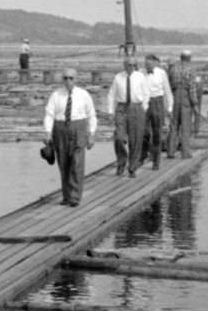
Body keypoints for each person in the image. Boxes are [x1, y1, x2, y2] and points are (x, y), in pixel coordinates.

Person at [43, 68, 97, 207]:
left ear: (76, 79)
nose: (68, 81)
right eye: (65, 78)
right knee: (63, 163)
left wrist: (91, 134)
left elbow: (91, 115)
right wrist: (47, 132)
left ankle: (75, 196)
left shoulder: (83, 95)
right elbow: (49, 114)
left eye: (71, 78)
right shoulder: (56, 95)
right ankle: (66, 196)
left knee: (77, 162)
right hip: (60, 129)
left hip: (78, 128)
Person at [106, 56, 149, 178]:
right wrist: (110, 112)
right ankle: (121, 162)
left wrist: (143, 108)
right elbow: (111, 95)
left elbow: (146, 94)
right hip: (121, 108)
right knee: (119, 137)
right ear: (124, 65)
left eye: (133, 65)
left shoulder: (140, 77)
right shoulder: (118, 77)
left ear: (136, 65)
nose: (131, 67)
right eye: (129, 65)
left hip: (136, 108)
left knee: (135, 140)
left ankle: (132, 168)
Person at [140, 54, 172, 170]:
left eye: (149, 64)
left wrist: (169, 108)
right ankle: (143, 154)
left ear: (155, 63)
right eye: (145, 64)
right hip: (144, 103)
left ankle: (156, 160)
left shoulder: (161, 73)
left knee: (157, 133)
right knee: (144, 132)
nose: (146, 66)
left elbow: (167, 91)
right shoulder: (140, 73)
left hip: (158, 102)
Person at [167, 50, 198, 160]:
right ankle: (185, 153)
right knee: (185, 126)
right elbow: (192, 89)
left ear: (181, 57)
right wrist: (194, 103)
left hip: (175, 96)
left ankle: (170, 152)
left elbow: (170, 84)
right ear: (189, 58)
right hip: (185, 97)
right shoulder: (191, 69)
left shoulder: (173, 68)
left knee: (174, 125)